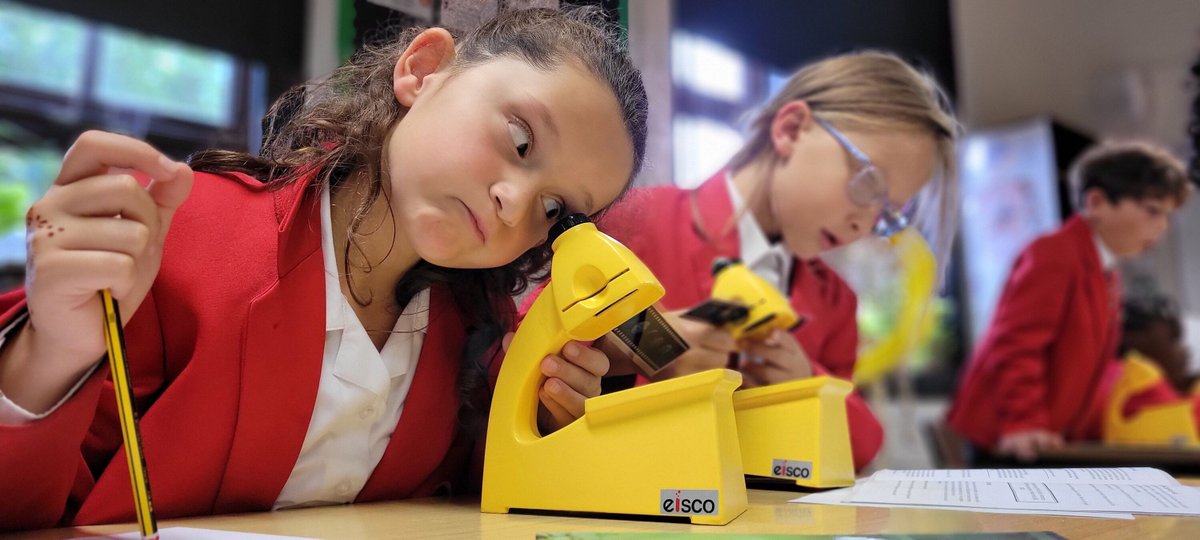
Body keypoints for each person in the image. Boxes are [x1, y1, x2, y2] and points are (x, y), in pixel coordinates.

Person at [0, 7, 647, 530]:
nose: (514, 204)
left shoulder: (472, 333)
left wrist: (543, 424)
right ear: (423, 70)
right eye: (521, 140)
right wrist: (53, 351)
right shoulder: (181, 234)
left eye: (555, 209)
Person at [594, 51, 960, 472]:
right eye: (868, 183)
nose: (864, 223)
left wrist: (807, 383)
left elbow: (863, 442)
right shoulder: (637, 221)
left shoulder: (835, 303)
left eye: (888, 215)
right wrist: (652, 343)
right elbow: (536, 340)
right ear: (790, 129)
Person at [946, 141, 1191, 462]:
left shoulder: (1105, 271)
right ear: (1096, 202)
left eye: (1167, 216)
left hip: (1048, 435)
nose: (1161, 227)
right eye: (1153, 210)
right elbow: (1017, 345)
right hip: (1010, 435)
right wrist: (1024, 421)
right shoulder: (1054, 254)